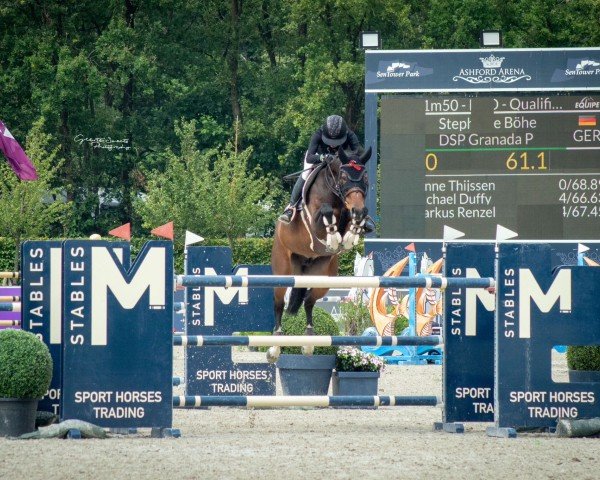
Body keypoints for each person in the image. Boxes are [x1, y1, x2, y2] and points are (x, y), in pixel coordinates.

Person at [278, 115, 375, 233]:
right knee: (305, 174)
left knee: (356, 178)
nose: (333, 145)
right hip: (319, 158)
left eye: (336, 142)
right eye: (330, 141)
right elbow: (309, 158)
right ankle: (291, 207)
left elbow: (359, 153)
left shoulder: (350, 135)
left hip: (341, 162)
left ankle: (363, 214)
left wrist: (351, 160)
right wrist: (322, 157)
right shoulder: (318, 135)